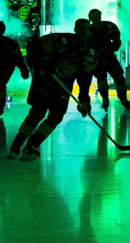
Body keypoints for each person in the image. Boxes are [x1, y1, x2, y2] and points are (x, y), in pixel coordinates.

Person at [9, 20, 98, 161]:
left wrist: (84, 99)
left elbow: (84, 80)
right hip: (44, 80)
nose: (84, 33)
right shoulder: (59, 39)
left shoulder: (90, 54)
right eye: (81, 29)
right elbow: (33, 45)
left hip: (63, 86)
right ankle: (16, 144)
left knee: (56, 116)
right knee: (37, 113)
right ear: (75, 29)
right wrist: (45, 59)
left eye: (87, 29)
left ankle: (31, 145)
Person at [84, 9, 130, 112]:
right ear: (91, 19)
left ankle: (123, 100)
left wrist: (115, 45)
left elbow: (117, 36)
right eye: (94, 17)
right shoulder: (88, 30)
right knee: (101, 78)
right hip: (98, 59)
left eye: (98, 16)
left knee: (119, 78)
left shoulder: (109, 26)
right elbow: (84, 43)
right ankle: (105, 99)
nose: (97, 18)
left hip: (110, 57)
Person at [0, 21, 30, 116]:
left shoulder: (10, 43)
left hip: (8, 67)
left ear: (3, 30)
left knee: (0, 83)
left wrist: (23, 68)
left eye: (0, 29)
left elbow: (18, 58)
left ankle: (1, 106)